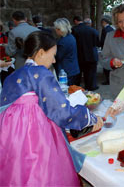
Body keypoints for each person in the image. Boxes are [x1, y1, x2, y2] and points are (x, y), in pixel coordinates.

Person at [0, 31, 103, 186]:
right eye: (53, 55)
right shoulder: (41, 74)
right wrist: (90, 117)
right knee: (43, 172)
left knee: (19, 171)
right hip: (35, 135)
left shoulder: (14, 75)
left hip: (11, 136)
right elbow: (62, 112)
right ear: (41, 53)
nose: (54, 60)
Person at [72, 16, 99, 91]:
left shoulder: (75, 30)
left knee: (79, 73)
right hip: (92, 55)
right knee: (91, 73)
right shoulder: (93, 31)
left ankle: (76, 87)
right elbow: (97, 43)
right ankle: (91, 86)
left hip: (80, 55)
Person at [53, 18, 80, 86]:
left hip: (66, 71)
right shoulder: (70, 37)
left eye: (56, 28)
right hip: (72, 69)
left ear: (60, 29)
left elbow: (58, 57)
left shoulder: (63, 41)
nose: (55, 30)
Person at [100, 15, 114, 85]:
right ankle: (109, 79)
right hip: (112, 49)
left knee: (106, 64)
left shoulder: (105, 30)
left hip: (106, 49)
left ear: (104, 22)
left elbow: (103, 41)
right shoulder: (111, 29)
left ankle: (107, 80)